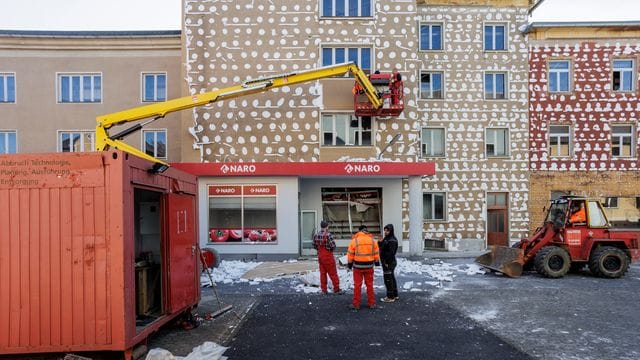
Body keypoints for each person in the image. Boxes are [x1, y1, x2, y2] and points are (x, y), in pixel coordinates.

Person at [347, 225, 380, 310]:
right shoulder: (373, 241)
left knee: (357, 285)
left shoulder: (354, 241)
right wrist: (377, 262)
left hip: (357, 267)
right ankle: (371, 303)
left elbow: (350, 254)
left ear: (359, 232)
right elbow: (376, 253)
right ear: (367, 232)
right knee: (369, 285)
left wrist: (349, 264)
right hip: (369, 266)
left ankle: (356, 304)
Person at [312, 220, 343, 295]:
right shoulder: (328, 235)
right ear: (327, 226)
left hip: (320, 257)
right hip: (328, 257)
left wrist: (319, 250)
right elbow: (333, 246)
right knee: (333, 273)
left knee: (323, 274)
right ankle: (336, 289)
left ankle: (324, 290)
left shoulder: (316, 235)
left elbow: (314, 245)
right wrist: (329, 250)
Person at [378, 224, 398, 303]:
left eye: (387, 230)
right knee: (391, 278)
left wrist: (386, 262)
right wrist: (380, 242)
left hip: (389, 263)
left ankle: (390, 297)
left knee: (388, 280)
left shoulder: (392, 240)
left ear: (391, 231)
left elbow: (391, 253)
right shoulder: (387, 238)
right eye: (385, 230)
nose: (385, 232)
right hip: (388, 262)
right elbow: (383, 248)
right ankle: (395, 294)